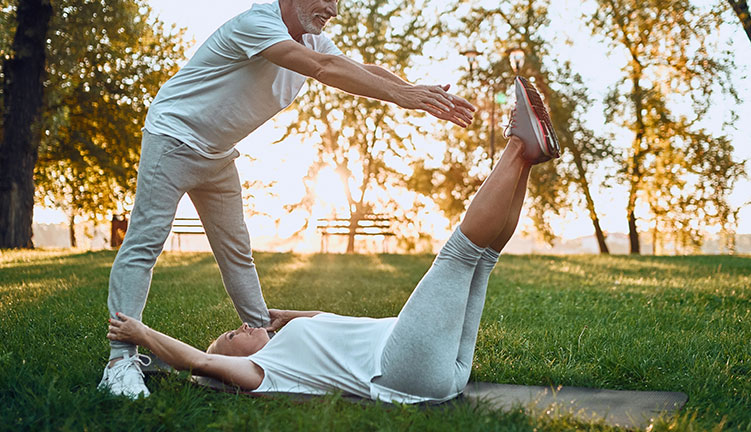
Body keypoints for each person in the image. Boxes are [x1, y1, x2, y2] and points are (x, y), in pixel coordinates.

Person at [99, 0, 476, 398]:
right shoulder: (257, 25)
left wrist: (411, 89)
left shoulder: (314, 42)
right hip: (174, 136)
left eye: (336, 0)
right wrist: (403, 96)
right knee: (145, 242)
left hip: (217, 154)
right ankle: (119, 363)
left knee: (237, 252)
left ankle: (266, 342)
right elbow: (322, 70)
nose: (332, 9)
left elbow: (357, 69)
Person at [105, 77, 560, 403]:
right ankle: (519, 144)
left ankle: (526, 157)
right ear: (235, 364)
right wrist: (140, 334)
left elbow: (329, 319)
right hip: (402, 367)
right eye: (231, 336)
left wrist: (285, 315)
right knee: (460, 254)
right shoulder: (263, 371)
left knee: (482, 258)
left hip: (436, 369)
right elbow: (200, 364)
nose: (240, 327)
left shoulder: (287, 341)